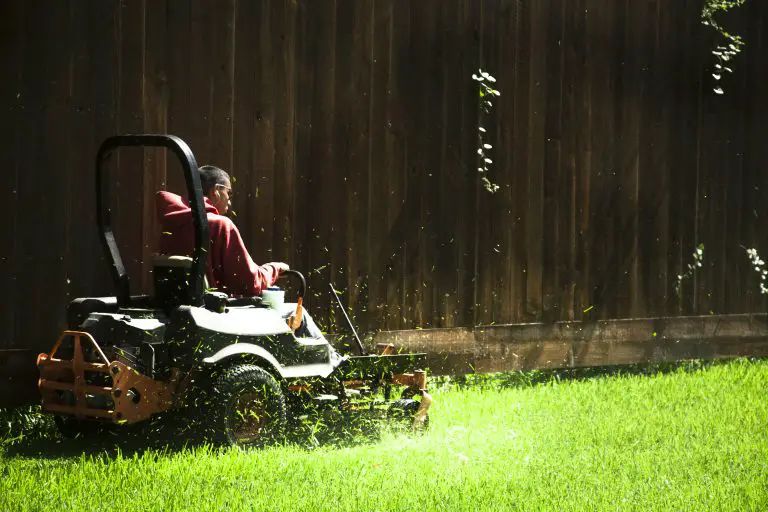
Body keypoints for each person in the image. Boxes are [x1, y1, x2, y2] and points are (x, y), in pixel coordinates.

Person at [155, 165, 323, 339]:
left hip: (178, 314)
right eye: (229, 192)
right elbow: (250, 284)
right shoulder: (220, 225)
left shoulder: (171, 226)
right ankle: (336, 364)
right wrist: (275, 269)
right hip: (215, 315)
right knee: (298, 313)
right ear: (216, 191)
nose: (230, 200)